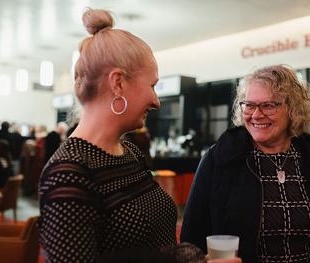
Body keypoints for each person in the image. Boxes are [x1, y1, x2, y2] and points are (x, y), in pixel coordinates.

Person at [38, 8, 204, 263]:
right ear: (117, 83)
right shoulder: (68, 172)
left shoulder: (130, 153)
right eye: (152, 86)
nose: (156, 101)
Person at [181, 64, 310, 263]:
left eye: (268, 105)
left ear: (293, 110)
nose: (256, 114)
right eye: (249, 105)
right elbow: (192, 238)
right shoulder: (219, 159)